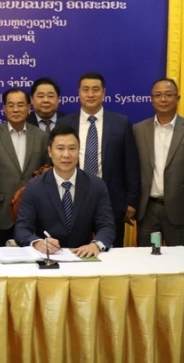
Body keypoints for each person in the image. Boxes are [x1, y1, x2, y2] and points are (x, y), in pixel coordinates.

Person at [58, 72, 139, 247]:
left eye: (95, 90)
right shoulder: (65, 123)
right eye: (85, 89)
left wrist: (131, 201)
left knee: (111, 251)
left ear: (104, 92)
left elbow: (131, 165)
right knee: (75, 252)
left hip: (111, 201)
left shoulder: (121, 123)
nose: (90, 94)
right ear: (78, 92)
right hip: (72, 200)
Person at [14, 125, 115, 258]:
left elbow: (107, 226)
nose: (66, 155)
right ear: (50, 151)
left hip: (83, 255)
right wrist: (38, 243)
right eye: (60, 148)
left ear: (79, 151)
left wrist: (95, 245)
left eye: (72, 148)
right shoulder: (34, 187)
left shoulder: (96, 185)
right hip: (48, 257)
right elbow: (22, 229)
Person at [133, 78, 184, 246]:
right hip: (148, 210)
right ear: (151, 99)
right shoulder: (139, 130)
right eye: (158, 95)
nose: (163, 99)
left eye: (168, 95)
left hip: (181, 211)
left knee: (181, 259)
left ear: (178, 98)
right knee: (147, 258)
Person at [0, 88, 49, 247]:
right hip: (1, 214)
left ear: (29, 107)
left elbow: (47, 173)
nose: (16, 109)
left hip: (34, 212)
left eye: (20, 105)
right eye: (11, 105)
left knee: (33, 257)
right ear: (4, 108)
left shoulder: (41, 137)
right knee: (1, 257)